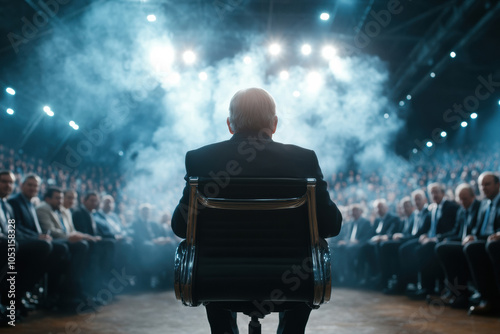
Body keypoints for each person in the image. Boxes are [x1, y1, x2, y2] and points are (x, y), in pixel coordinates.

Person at [171, 87, 342, 334]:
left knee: (210, 257)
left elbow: (181, 227)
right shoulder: (303, 159)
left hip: (216, 280)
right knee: (308, 255)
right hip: (292, 282)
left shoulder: (201, 159)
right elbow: (330, 226)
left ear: (230, 124)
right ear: (274, 124)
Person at [464, 172, 500, 315]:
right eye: (481, 185)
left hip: (496, 239)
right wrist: (472, 236)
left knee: (492, 246)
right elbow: (478, 229)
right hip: (486, 239)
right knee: (470, 247)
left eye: (487, 184)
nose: (484, 188)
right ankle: (486, 298)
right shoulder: (483, 204)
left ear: (498, 184)